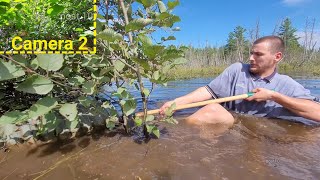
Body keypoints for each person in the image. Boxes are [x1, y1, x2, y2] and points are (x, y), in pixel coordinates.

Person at [159, 36, 320, 126]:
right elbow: (207, 91)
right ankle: (174, 130)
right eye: (251, 53)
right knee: (214, 109)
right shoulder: (237, 70)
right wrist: (176, 103)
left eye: (258, 54)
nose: (251, 58)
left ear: (277, 57)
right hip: (229, 124)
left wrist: (273, 96)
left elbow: (317, 113)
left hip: (258, 135)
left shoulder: (286, 83)